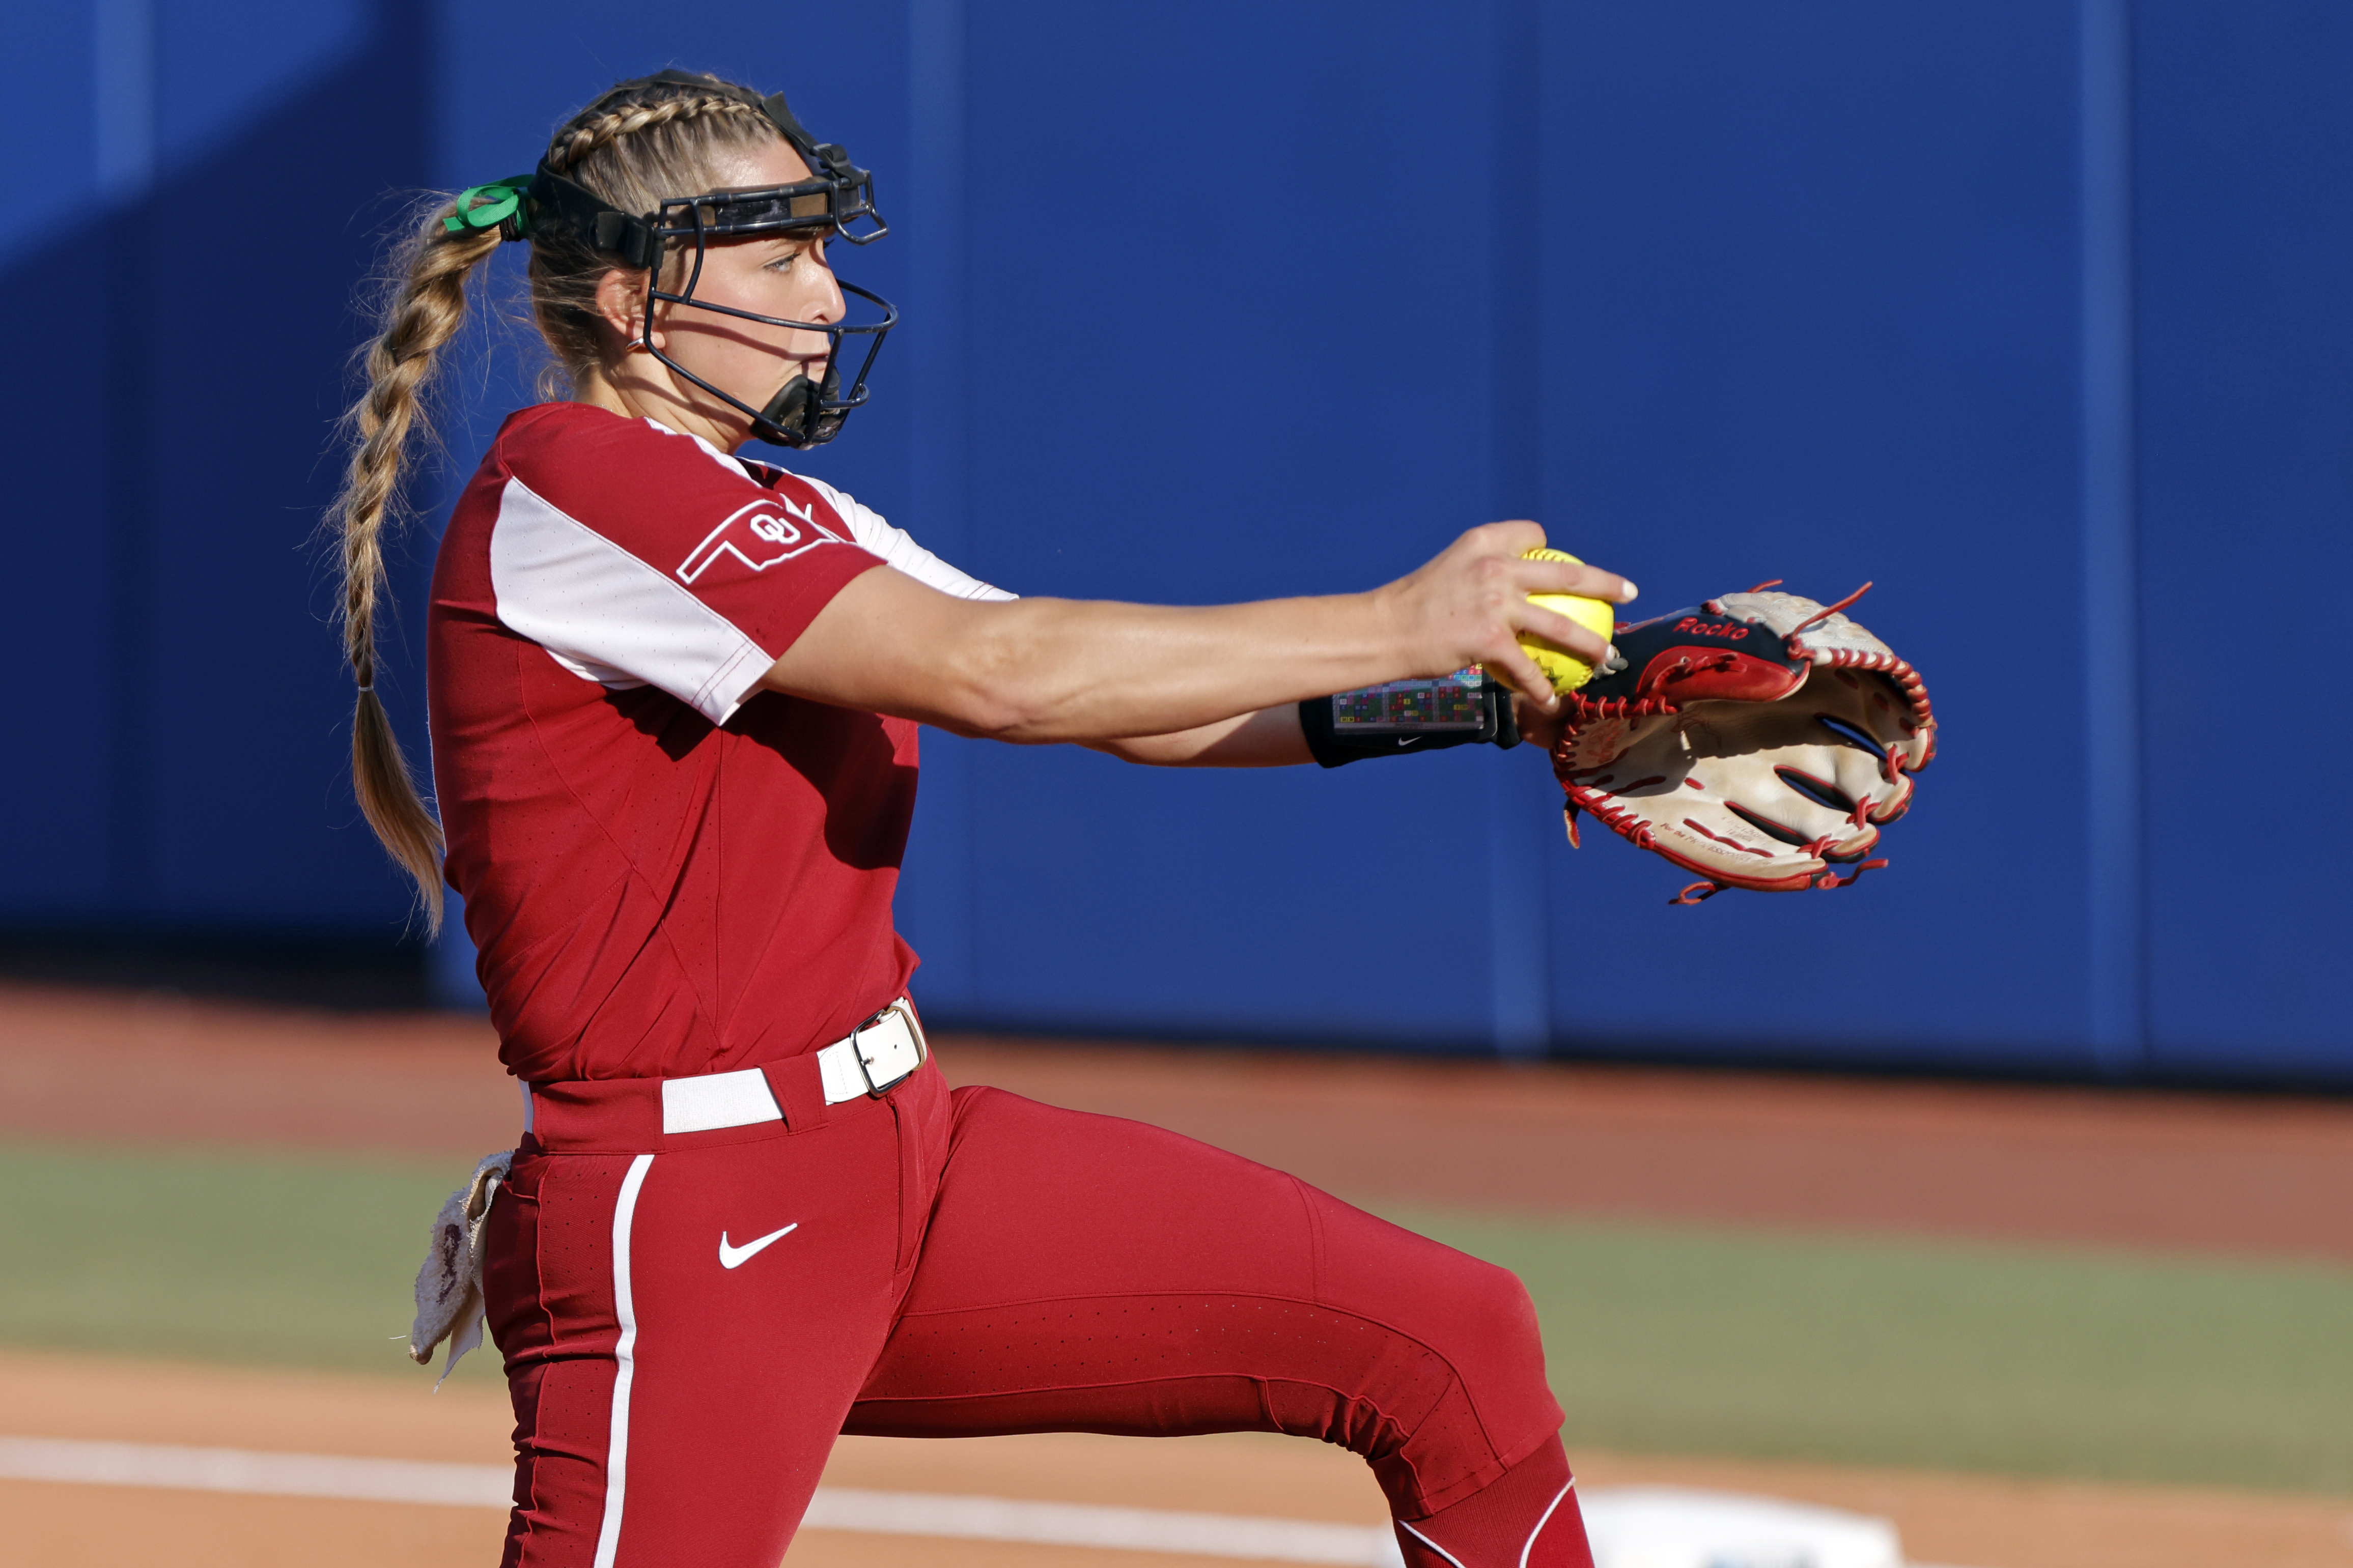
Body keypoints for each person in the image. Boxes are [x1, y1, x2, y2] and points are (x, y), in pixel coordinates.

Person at [331, 69, 1635, 1568]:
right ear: (633, 301)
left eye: (826, 249)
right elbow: (998, 677)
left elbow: (1126, 699)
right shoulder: (576, 485)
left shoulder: (769, 509)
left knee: (1453, 1342)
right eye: (782, 256)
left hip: (904, 1165)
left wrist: (1481, 702)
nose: (828, 295)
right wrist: (1403, 618)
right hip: (695, 1223)